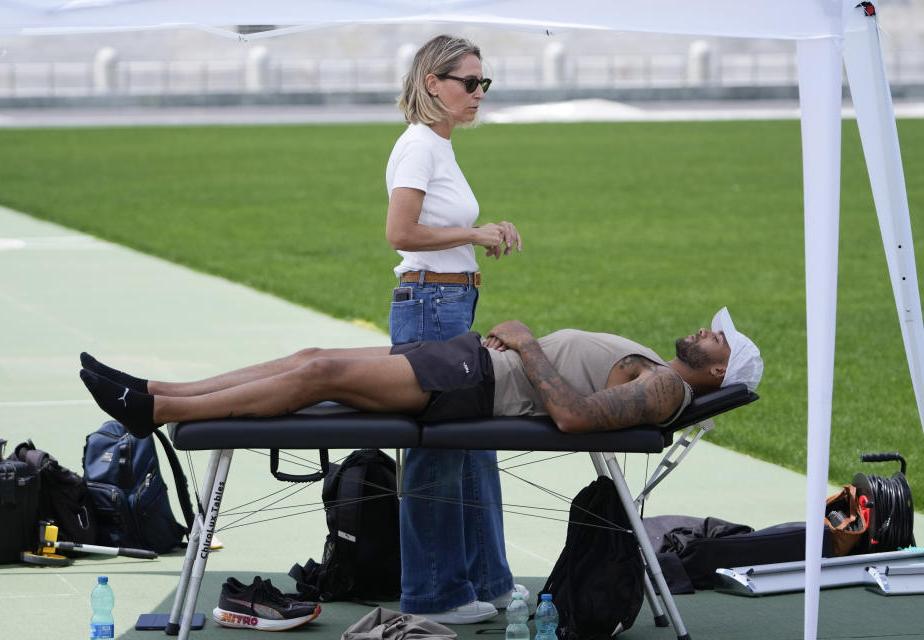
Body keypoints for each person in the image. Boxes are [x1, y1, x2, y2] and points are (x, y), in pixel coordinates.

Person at [79, 306, 762, 450]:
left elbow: (577, 417)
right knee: (311, 359)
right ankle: (154, 396)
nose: (706, 328)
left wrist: (525, 345)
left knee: (317, 371)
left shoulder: (668, 390)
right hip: (473, 366)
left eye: (717, 336)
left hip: (476, 382)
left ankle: (157, 410)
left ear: (721, 370)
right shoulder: (663, 370)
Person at [384, 34, 523, 623]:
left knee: (475, 445)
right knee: (437, 452)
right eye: (469, 83)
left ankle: (486, 581)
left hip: (449, 304)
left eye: (483, 83)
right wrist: (473, 236)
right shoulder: (418, 146)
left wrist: (484, 230)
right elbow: (400, 232)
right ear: (433, 83)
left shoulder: (439, 147)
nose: (478, 94)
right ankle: (434, 597)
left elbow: (438, 224)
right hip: (430, 307)